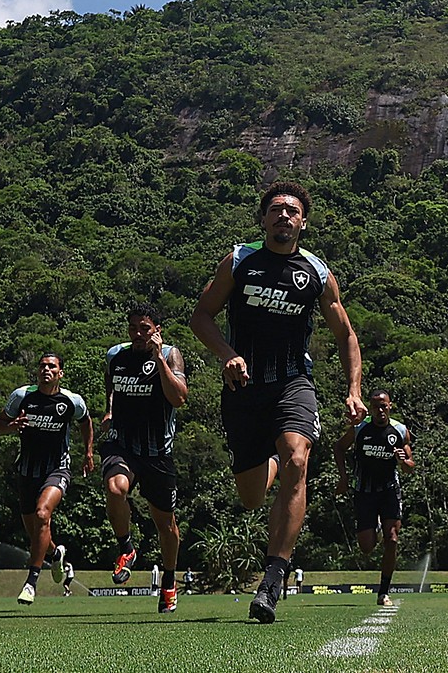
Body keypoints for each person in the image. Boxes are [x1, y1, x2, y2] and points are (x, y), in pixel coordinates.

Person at [191, 180, 365, 624]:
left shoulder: (317, 274)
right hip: (244, 389)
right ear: (263, 219)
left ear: (303, 222)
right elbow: (201, 316)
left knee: (297, 458)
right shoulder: (240, 260)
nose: (283, 216)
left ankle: (272, 578)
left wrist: (353, 390)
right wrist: (227, 355)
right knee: (250, 497)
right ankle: (268, 460)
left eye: (291, 211)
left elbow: (346, 335)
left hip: (293, 381)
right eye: (275, 210)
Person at [102, 304, 189, 614]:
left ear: (157, 330)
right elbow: (111, 388)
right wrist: (110, 411)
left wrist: (158, 360)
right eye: (134, 328)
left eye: (145, 329)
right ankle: (126, 547)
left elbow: (179, 397)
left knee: (166, 525)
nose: (138, 334)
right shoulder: (115, 356)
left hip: (157, 453)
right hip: (122, 445)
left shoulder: (170, 355)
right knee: (115, 488)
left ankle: (168, 580)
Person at [0, 352, 93, 604]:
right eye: (42, 366)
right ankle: (55, 552)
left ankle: (31, 583)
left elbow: (85, 421)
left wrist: (89, 452)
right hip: (27, 471)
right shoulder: (22, 396)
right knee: (36, 530)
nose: (46, 370)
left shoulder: (71, 401)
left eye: (51, 366)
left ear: (60, 372)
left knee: (42, 514)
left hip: (57, 469)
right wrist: (12, 426)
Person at [335, 388, 413, 607]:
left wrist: (403, 461)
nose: (380, 409)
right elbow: (339, 447)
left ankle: (383, 592)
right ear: (370, 408)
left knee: (393, 539)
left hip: (389, 490)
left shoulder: (399, 430)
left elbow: (410, 466)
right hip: (364, 491)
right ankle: (375, 529)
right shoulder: (360, 428)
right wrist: (343, 478)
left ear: (390, 406)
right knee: (367, 547)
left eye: (384, 405)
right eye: (376, 406)